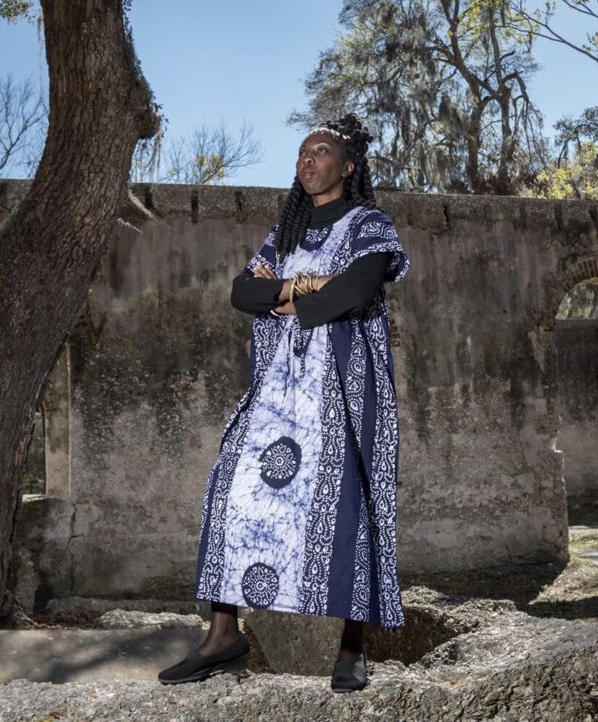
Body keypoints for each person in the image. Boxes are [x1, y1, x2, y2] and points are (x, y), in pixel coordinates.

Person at [158, 113, 411, 693]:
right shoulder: (285, 234)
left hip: (343, 386)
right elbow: (241, 292)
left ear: (347, 166)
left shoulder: (369, 224)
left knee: (349, 505)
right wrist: (304, 286)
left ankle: (351, 648)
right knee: (229, 488)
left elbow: (355, 292)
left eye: (320, 151)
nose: (307, 159)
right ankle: (224, 634)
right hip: (275, 390)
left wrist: (286, 294)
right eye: (301, 151)